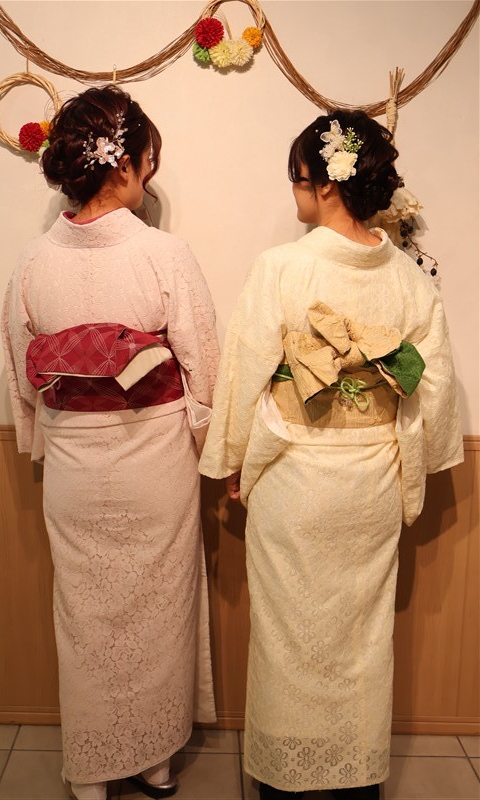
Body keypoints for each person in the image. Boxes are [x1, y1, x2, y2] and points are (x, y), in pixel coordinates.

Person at [199, 109, 463, 799]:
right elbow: (432, 383)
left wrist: (231, 459)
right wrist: (420, 457)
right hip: (369, 481)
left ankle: (284, 778)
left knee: (286, 634)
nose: (293, 192)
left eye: (296, 178)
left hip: (294, 478)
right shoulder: (406, 278)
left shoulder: (281, 267)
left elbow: (245, 368)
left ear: (323, 183)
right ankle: (353, 778)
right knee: (361, 638)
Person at [2, 86, 219, 800]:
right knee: (159, 608)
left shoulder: (33, 263)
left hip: (72, 460)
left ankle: (92, 771)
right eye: (148, 159)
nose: (151, 173)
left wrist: (41, 437)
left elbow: (24, 372)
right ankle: (153, 762)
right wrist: (207, 440)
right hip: (154, 456)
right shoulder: (164, 254)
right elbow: (203, 364)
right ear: (122, 163)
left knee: (85, 615)